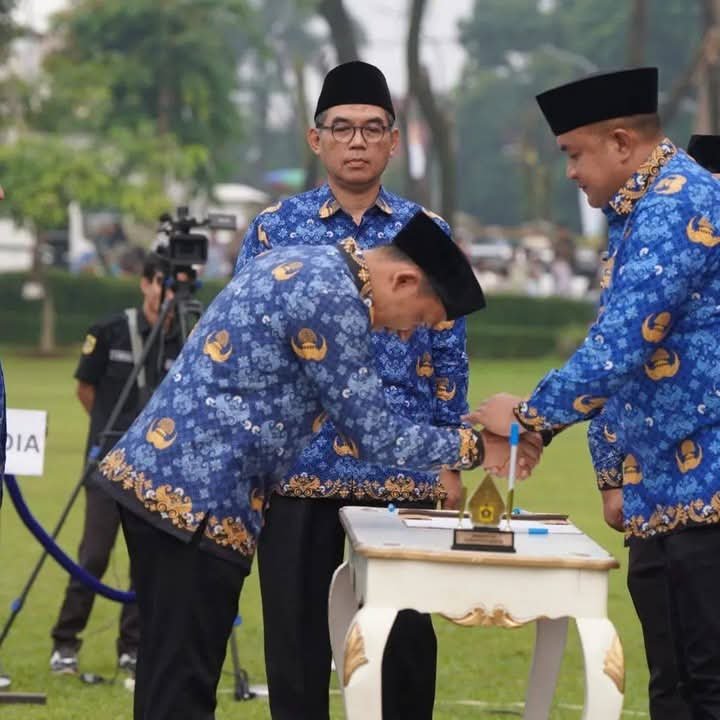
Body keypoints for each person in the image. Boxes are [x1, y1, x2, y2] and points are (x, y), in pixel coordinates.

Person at [93, 211, 543, 720]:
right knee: (181, 686)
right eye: (418, 319)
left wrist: (466, 434)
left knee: (167, 677)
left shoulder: (304, 262)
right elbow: (373, 433)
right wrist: (478, 448)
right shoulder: (334, 297)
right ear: (403, 280)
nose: (404, 335)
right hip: (198, 499)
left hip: (168, 484)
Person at [467, 67, 720, 717]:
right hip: (661, 492)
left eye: (574, 154)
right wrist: (606, 468)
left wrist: (527, 418)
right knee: (676, 687)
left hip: (708, 486)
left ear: (621, 142)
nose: (571, 173)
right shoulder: (636, 211)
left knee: (709, 683)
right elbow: (620, 356)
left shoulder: (678, 202)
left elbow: (621, 346)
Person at [235, 60, 469, 720]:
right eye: (342, 128)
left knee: (404, 639)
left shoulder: (426, 234)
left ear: (394, 141)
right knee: (295, 633)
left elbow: (448, 349)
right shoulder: (275, 229)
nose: (357, 141)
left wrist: (450, 456)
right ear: (317, 140)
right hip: (297, 464)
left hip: (402, 466)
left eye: (372, 128)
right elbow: (250, 347)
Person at [49, 251, 183, 676]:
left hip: (158, 469)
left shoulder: (186, 339)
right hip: (107, 465)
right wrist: (114, 434)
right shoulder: (109, 331)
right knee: (93, 555)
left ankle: (133, 647)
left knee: (148, 561)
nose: (168, 293)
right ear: (145, 283)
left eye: (176, 285)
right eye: (162, 283)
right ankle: (65, 643)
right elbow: (85, 389)